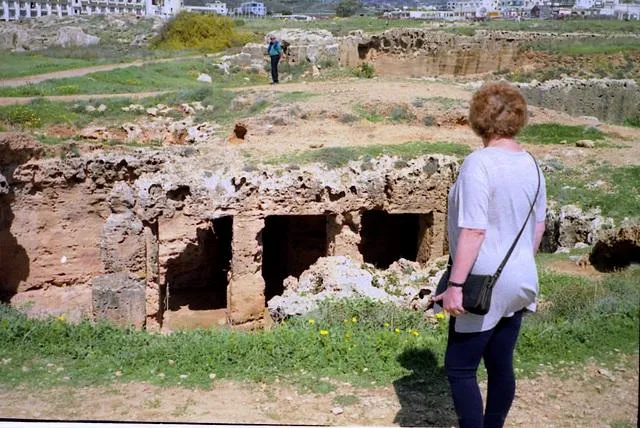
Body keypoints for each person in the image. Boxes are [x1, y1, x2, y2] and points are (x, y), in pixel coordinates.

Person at [432, 81, 547, 428]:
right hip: (522, 277)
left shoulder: (478, 163)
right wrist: (517, 266)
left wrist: (455, 285)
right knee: (500, 365)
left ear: (478, 119)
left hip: (482, 281)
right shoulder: (532, 163)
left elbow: (474, 230)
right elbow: (538, 226)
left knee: (460, 367)